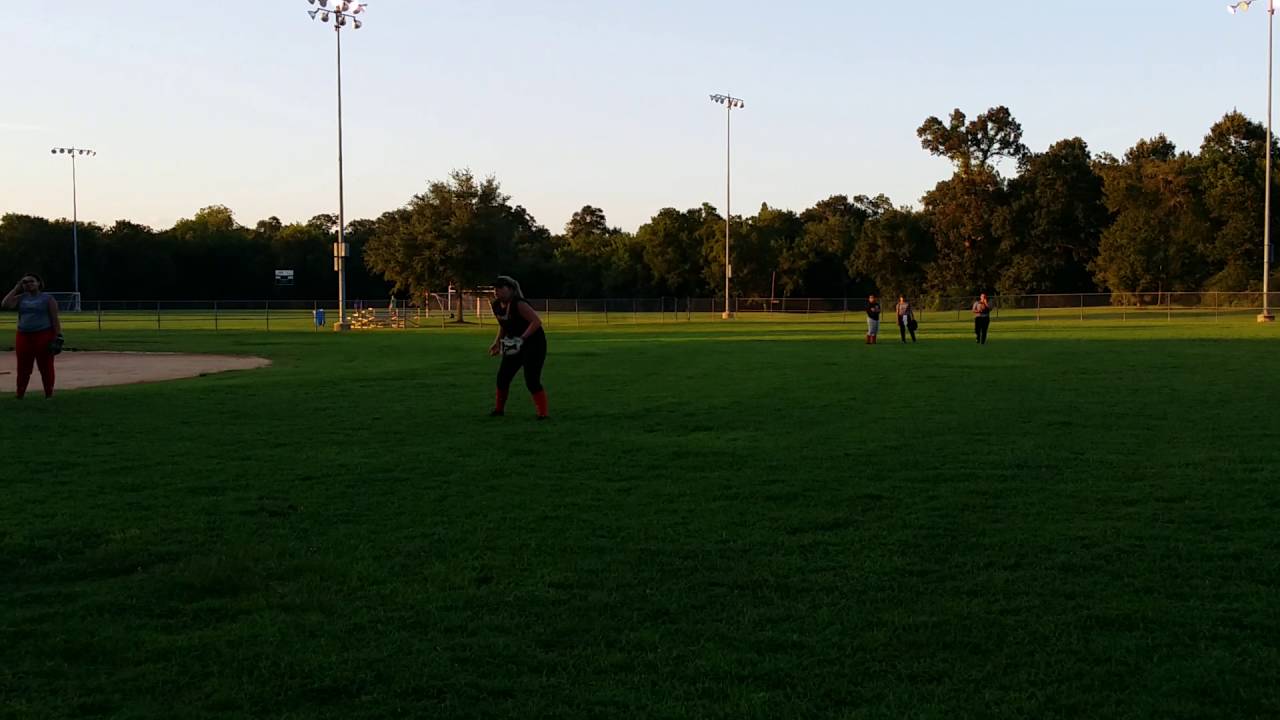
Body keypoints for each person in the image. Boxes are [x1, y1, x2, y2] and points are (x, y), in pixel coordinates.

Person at [488, 275, 549, 420]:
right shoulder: (496, 305)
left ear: (510, 289)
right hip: (514, 342)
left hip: (534, 343)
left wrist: (521, 338)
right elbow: (504, 325)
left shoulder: (518, 304)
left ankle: (543, 414)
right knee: (502, 377)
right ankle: (499, 410)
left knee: (531, 380)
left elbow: (536, 322)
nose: (496, 291)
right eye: (495, 288)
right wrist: (497, 342)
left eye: (500, 288)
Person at [2, 273, 62, 399]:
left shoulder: (48, 299)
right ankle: (20, 393)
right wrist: (16, 288)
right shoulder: (21, 297)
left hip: (43, 334)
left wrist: (58, 335)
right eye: (25, 282)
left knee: (45, 365)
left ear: (38, 283)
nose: (28, 284)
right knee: (23, 366)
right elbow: (6, 304)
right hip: (23, 334)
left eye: (31, 281)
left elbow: (54, 319)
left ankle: (49, 393)